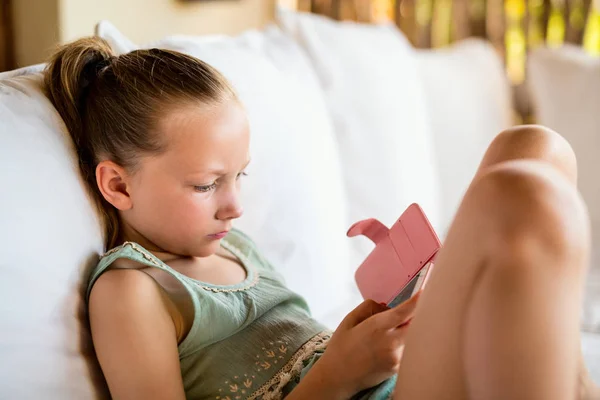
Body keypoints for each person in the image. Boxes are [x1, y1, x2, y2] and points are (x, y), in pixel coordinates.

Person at [43, 37, 599, 400]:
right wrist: (339, 374)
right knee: (517, 194)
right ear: (118, 184)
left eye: (241, 176)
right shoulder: (133, 290)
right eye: (207, 184)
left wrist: (375, 329)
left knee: (532, 146)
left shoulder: (235, 249)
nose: (234, 206)